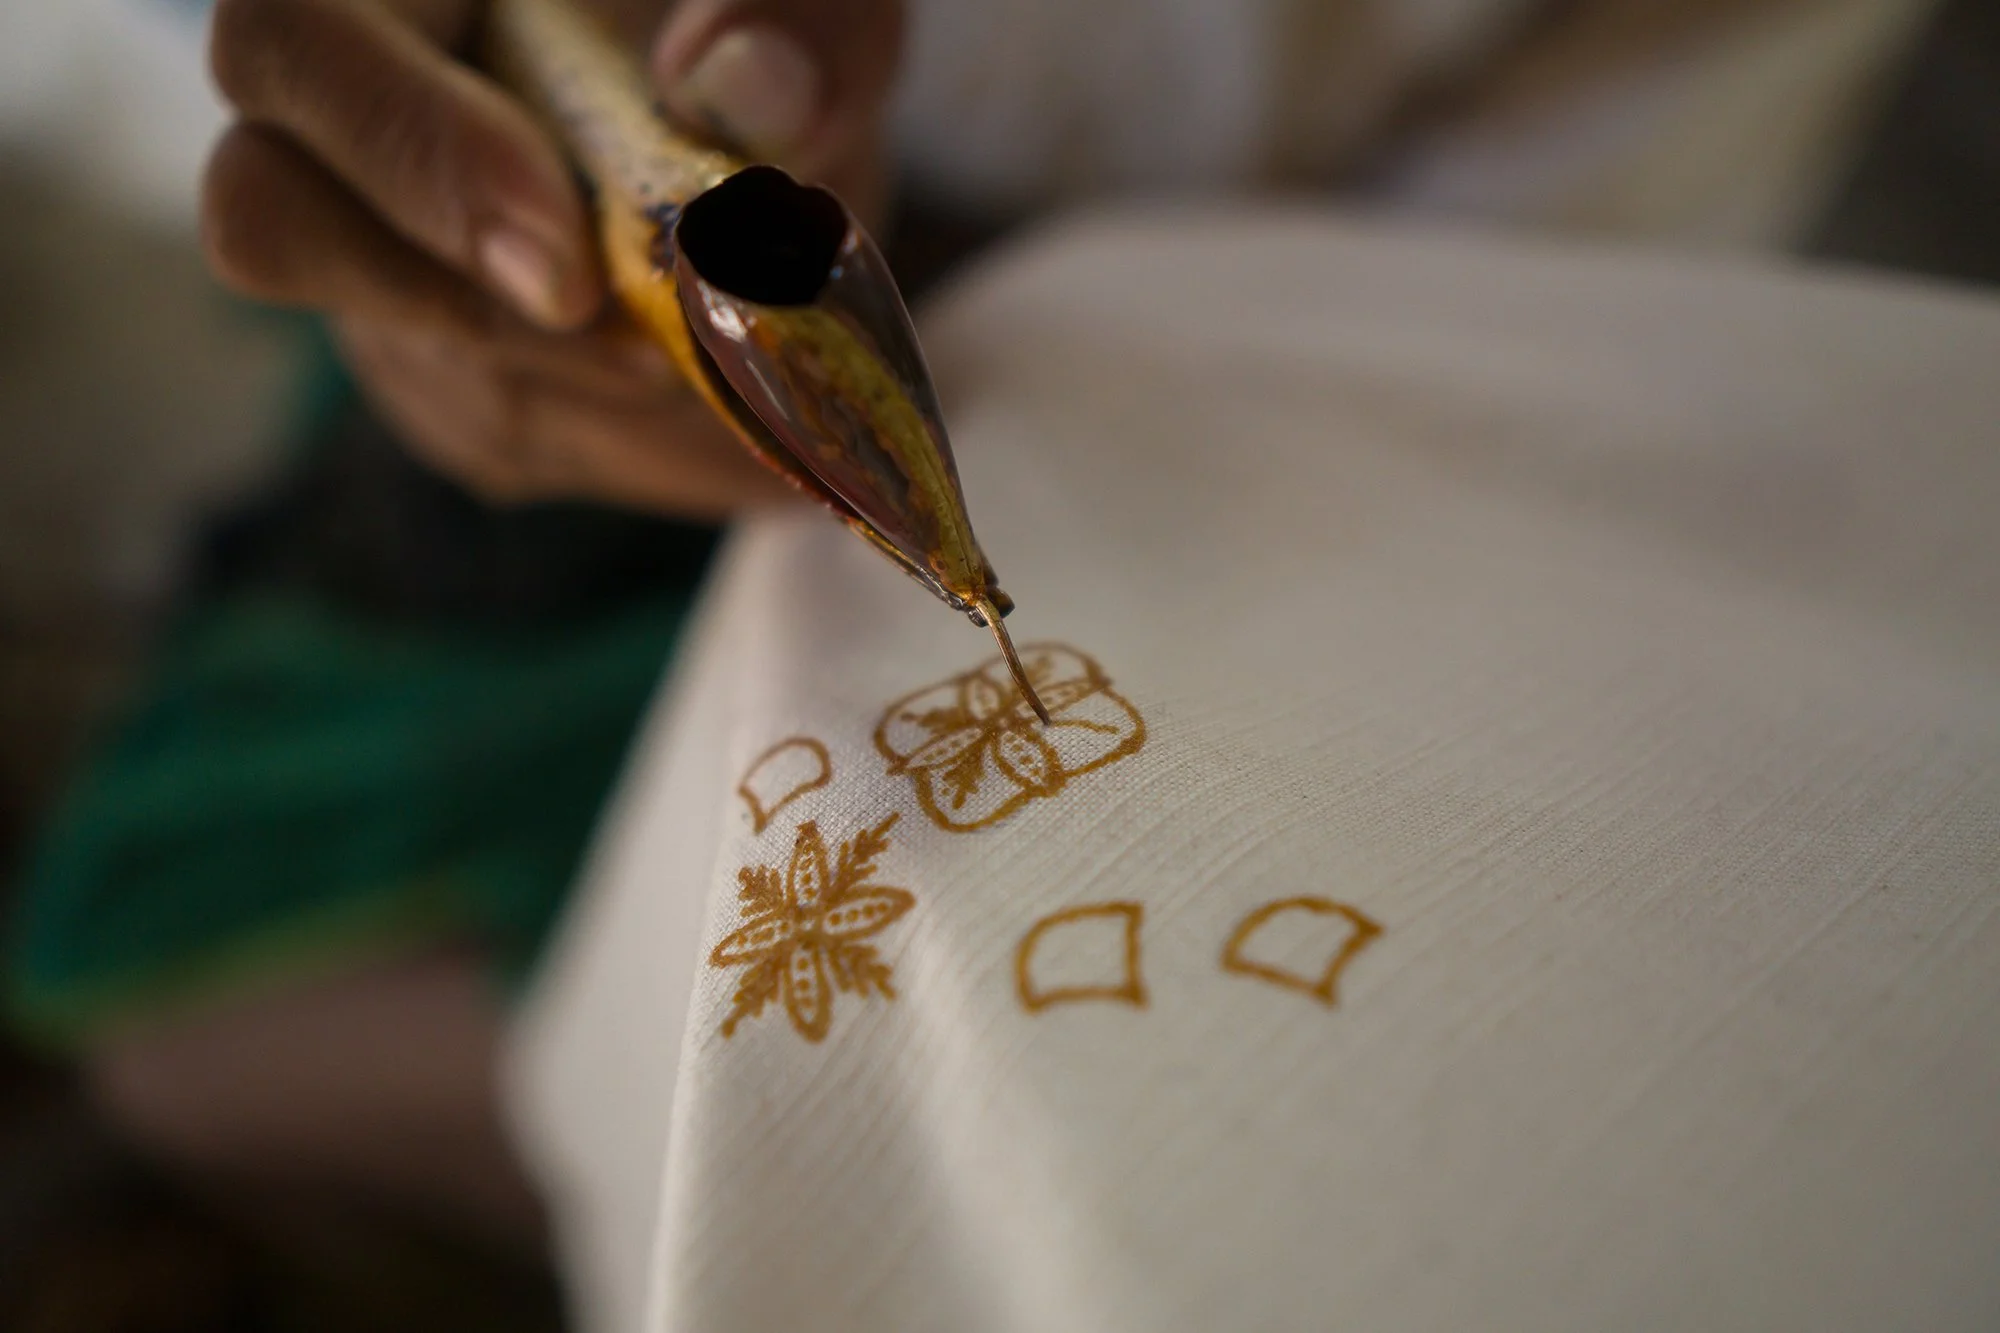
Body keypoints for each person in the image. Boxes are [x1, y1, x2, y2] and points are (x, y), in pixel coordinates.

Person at [6, 0, 1966, 1285]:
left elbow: (1475, 349)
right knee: (181, 1037)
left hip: (1180, 447)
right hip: (564, 378)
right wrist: (441, 132)